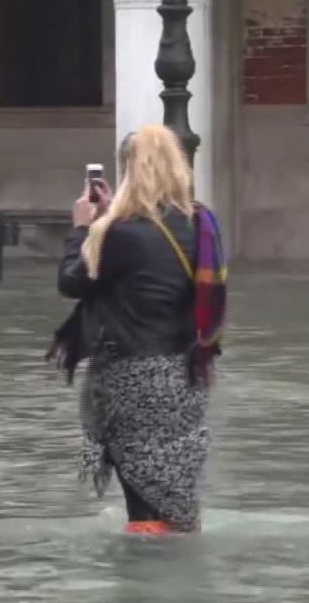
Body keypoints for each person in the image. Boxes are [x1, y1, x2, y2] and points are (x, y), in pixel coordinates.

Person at [46, 125, 227, 535]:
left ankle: (147, 582)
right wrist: (109, 217)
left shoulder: (122, 234)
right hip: (186, 377)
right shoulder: (199, 223)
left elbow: (72, 282)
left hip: (133, 377)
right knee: (173, 489)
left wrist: (80, 229)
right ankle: (177, 570)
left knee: (143, 499)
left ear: (131, 169)